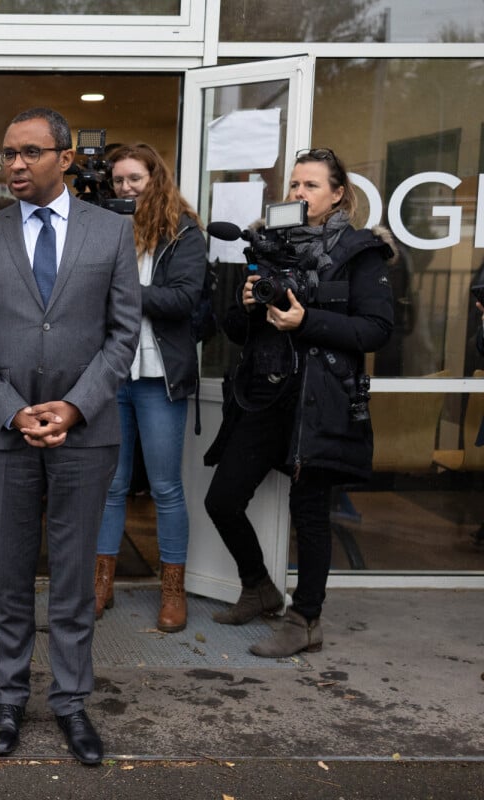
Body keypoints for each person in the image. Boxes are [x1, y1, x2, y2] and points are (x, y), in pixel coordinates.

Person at [0, 107, 139, 765]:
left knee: (71, 576)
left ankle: (70, 702)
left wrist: (77, 406)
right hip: (3, 433)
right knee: (7, 573)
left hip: (85, 435)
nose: (14, 165)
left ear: (64, 157)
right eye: (8, 153)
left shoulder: (110, 234)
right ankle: (7, 698)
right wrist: (11, 410)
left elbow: (124, 334)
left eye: (29, 152)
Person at [204, 148, 393, 658]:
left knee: (310, 515)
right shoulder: (269, 248)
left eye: (310, 185)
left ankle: (306, 619)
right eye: (293, 185)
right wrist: (245, 306)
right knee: (221, 499)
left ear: (338, 194)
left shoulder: (360, 252)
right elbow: (238, 332)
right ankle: (259, 586)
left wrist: (306, 321)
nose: (298, 194)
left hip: (320, 401)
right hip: (266, 395)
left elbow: (377, 330)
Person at [95, 143, 206, 633]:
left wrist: (123, 290)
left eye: (134, 178)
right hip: (113, 372)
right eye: (118, 180)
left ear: (155, 177)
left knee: (164, 487)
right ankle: (101, 584)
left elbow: (183, 299)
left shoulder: (183, 231)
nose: (125, 188)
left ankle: (172, 589)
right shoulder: (104, 226)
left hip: (160, 375)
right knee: (111, 485)